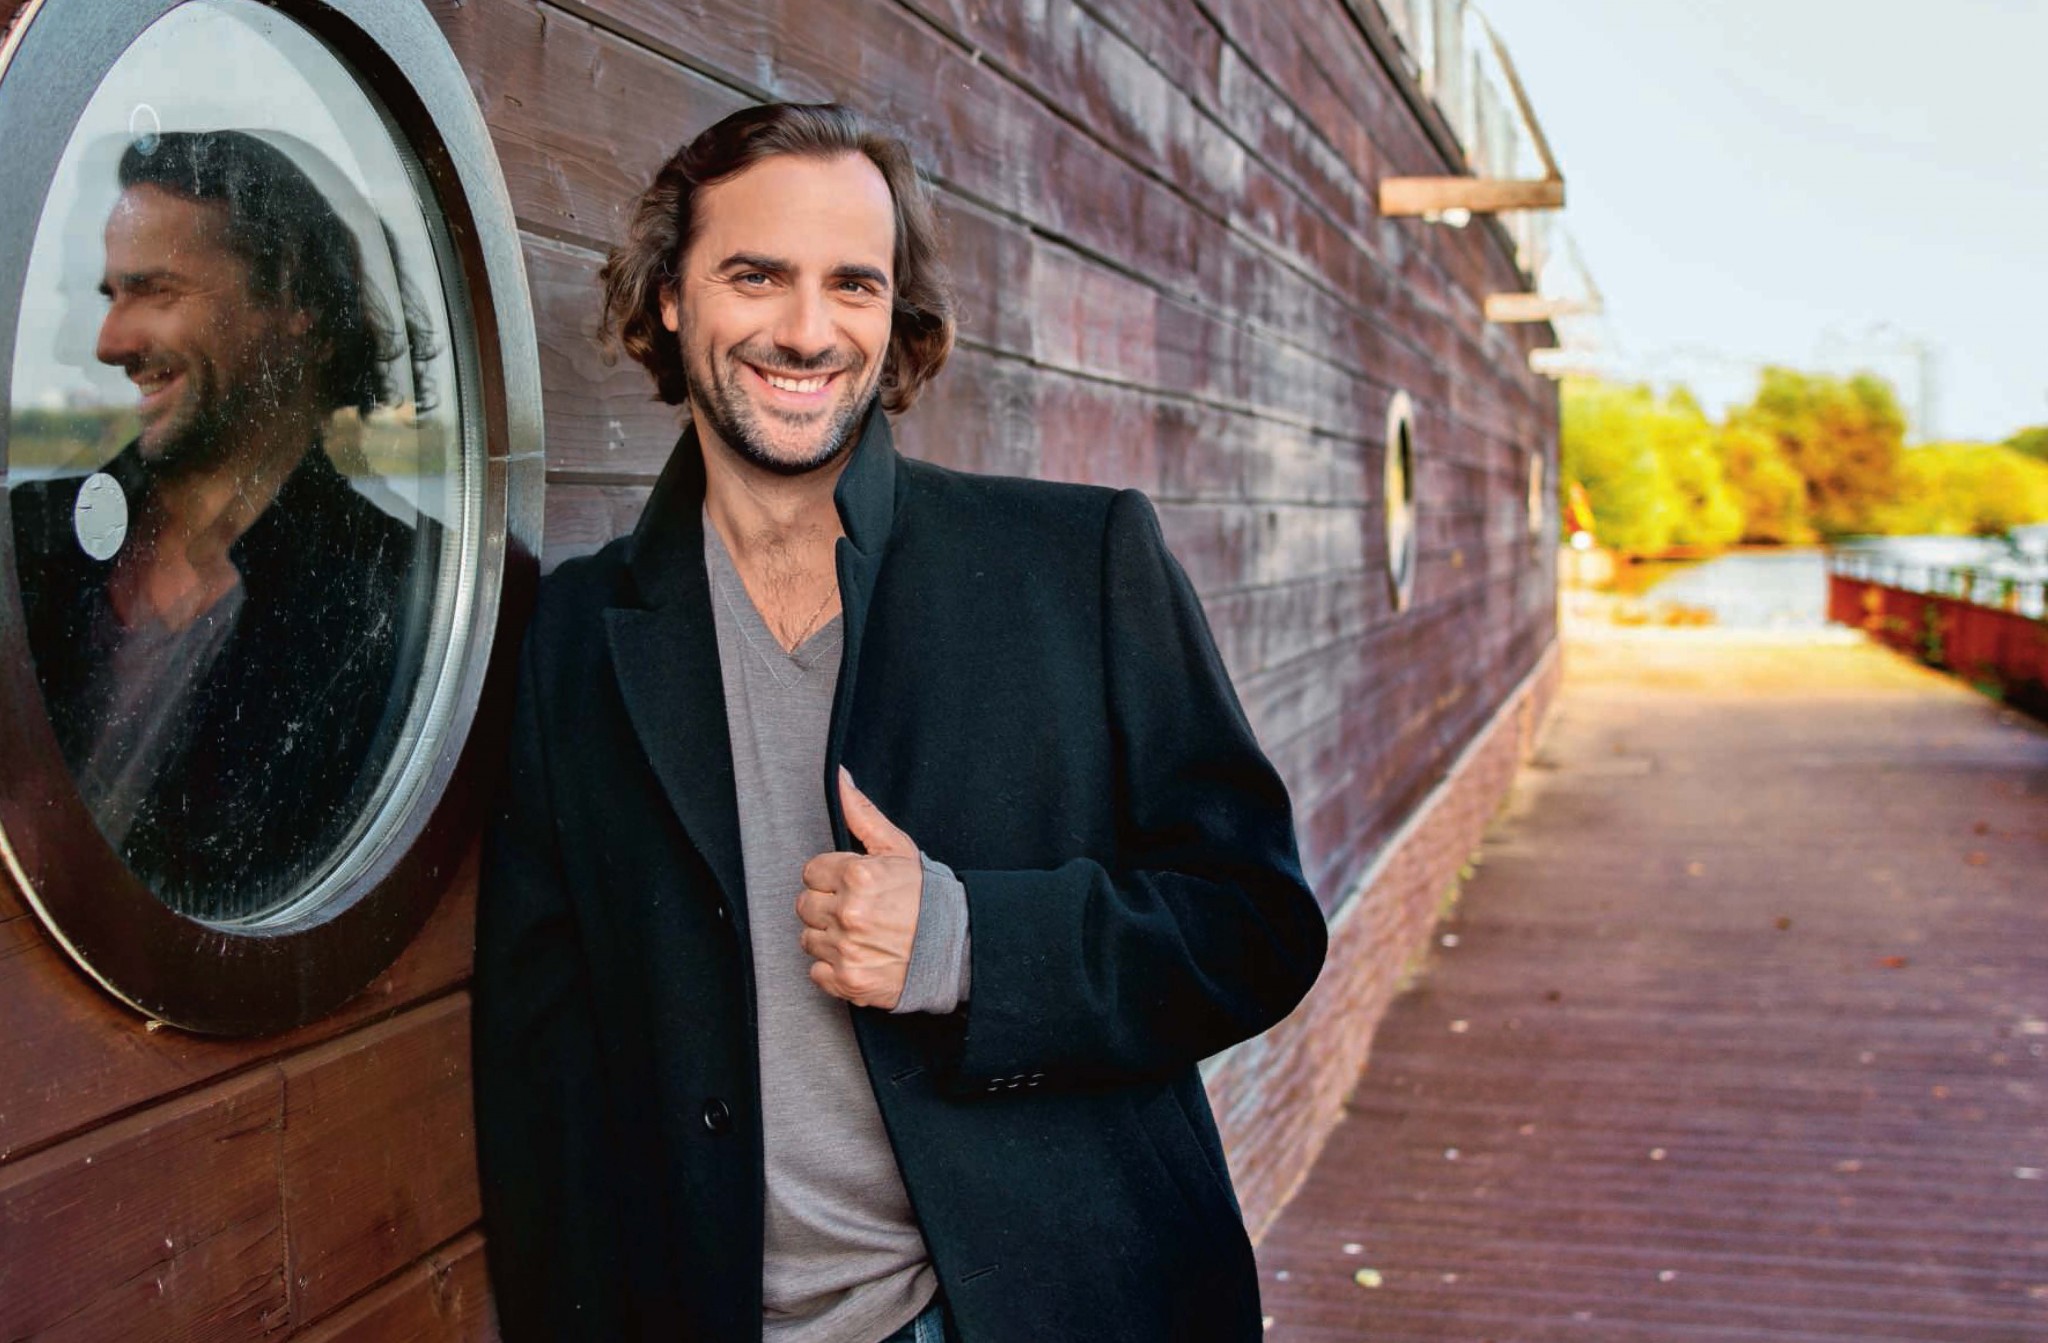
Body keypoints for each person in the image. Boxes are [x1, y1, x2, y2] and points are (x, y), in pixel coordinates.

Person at [474, 102, 1328, 1343]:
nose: (806, 330)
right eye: (755, 275)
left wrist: (969, 942)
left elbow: (1256, 927)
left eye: (852, 284)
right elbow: (540, 1076)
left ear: (894, 314)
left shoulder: (1078, 562)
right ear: (667, 295)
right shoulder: (573, 638)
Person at [9, 130, 429, 919]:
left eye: (155, 291)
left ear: (298, 301)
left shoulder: (403, 597)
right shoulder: (22, 536)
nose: (110, 342)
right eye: (111, 294)